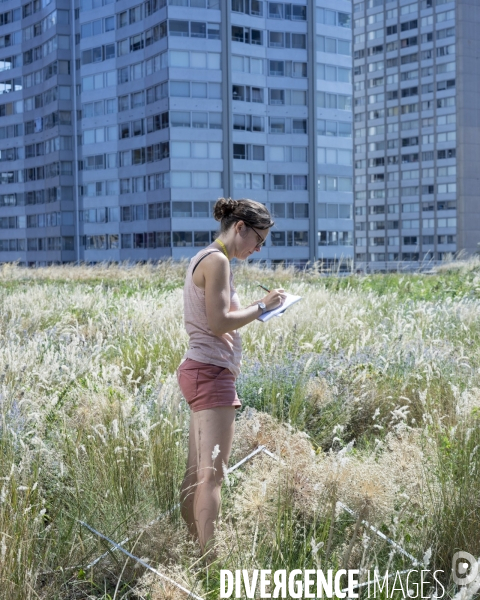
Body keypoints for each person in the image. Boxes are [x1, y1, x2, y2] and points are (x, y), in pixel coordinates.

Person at [177, 197, 286, 558]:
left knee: (196, 473)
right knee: (212, 476)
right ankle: (209, 562)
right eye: (258, 239)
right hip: (211, 373)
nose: (258, 248)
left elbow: (216, 318)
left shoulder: (204, 257)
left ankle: (194, 552)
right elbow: (219, 322)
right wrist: (262, 307)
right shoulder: (219, 261)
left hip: (199, 369)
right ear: (239, 227)